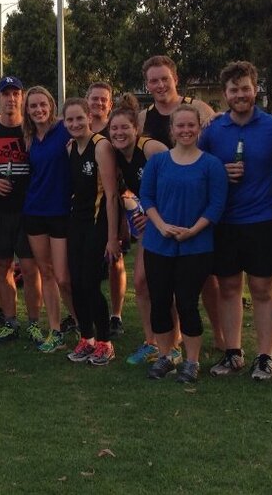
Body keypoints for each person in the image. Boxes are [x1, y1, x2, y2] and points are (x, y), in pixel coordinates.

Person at [198, 61, 272, 381]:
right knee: (229, 287)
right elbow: (198, 168)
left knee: (262, 288)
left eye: (245, 88)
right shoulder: (214, 130)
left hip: (263, 219)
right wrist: (220, 170)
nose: (240, 94)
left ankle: (265, 356)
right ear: (225, 94)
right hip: (225, 221)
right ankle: (232, 352)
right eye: (234, 90)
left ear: (255, 89)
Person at [137, 55, 226, 351]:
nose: (160, 84)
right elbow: (134, 162)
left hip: (197, 213)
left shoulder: (200, 108)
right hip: (160, 216)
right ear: (147, 84)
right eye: (153, 80)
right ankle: (164, 344)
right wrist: (135, 204)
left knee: (205, 286)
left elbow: (216, 150)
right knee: (153, 286)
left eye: (165, 78)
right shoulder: (143, 118)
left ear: (175, 78)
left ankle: (221, 340)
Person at [0, 76, 42, 345]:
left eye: (15, 94)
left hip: (29, 209)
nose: (11, 99)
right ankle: (10, 321)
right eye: (6, 94)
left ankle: (34, 323)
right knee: (1, 265)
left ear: (22, 98)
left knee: (30, 267)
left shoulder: (33, 129)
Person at [105, 104, 170, 365]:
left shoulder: (152, 149)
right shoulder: (116, 153)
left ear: (136, 129)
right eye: (114, 128)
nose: (119, 133)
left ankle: (172, 343)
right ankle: (151, 340)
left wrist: (151, 212)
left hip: (169, 221)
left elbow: (177, 182)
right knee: (142, 282)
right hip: (149, 222)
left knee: (165, 284)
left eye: (124, 127)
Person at [62, 98, 120, 366]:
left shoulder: (101, 146)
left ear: (88, 117)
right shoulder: (70, 146)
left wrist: (112, 238)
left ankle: (105, 342)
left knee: (90, 284)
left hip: (99, 223)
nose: (74, 124)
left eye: (78, 118)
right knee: (76, 284)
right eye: (69, 120)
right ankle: (87, 338)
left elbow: (111, 196)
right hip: (77, 221)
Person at [21, 86, 76, 353]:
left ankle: (81, 323)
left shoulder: (65, 129)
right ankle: (55, 329)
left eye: (42, 104)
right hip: (34, 211)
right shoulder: (29, 137)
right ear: (27, 111)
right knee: (47, 273)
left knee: (64, 277)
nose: (38, 110)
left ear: (51, 105)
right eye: (33, 106)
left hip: (61, 211)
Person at [85, 82, 127, 338]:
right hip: (85, 205)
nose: (99, 103)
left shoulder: (116, 130)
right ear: (87, 100)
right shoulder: (78, 126)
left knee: (116, 259)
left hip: (115, 200)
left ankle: (116, 314)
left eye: (104, 100)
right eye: (95, 99)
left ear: (110, 104)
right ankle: (84, 311)